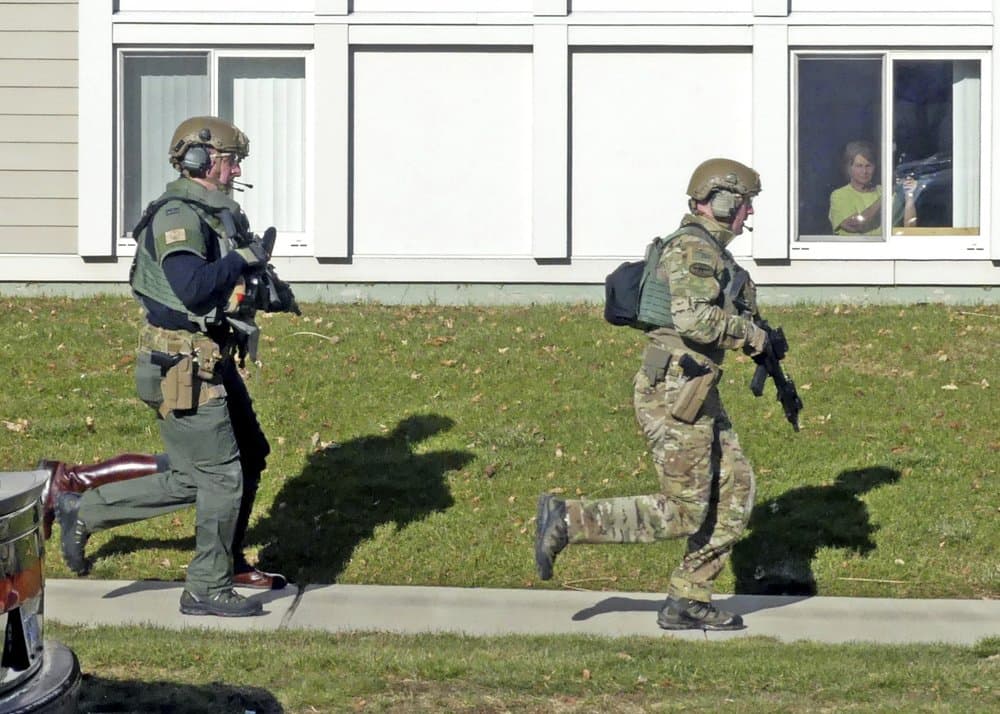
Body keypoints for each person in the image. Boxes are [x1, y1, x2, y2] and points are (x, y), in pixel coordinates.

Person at [49, 116, 296, 617]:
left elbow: (222, 286)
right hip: (181, 366)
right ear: (199, 159)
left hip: (209, 358)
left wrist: (263, 286)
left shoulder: (216, 213)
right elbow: (192, 287)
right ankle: (205, 587)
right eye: (230, 160)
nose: (236, 170)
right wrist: (240, 260)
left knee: (244, 458)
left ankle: (219, 558)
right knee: (218, 476)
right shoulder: (177, 216)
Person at [535, 158, 772, 631]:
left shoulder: (712, 253)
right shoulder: (693, 249)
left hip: (696, 387)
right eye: (745, 203)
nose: (749, 213)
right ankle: (567, 520)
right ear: (722, 201)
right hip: (674, 390)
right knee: (684, 510)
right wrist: (751, 335)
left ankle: (688, 598)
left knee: (736, 490)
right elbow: (693, 320)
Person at [828, 140, 917, 235]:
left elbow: (910, 229)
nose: (864, 171)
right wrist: (885, 196)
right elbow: (855, 225)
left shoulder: (884, 190)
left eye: (868, 166)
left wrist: (909, 196)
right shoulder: (839, 195)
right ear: (849, 168)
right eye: (859, 166)